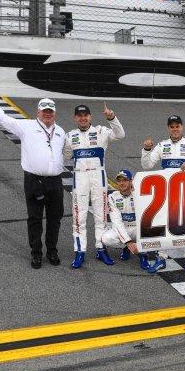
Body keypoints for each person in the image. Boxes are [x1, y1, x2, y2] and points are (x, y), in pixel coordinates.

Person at [0, 84, 65, 269]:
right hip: (34, 181)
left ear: (55, 113)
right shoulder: (26, 126)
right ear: (38, 112)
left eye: (50, 111)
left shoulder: (61, 132)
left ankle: (52, 251)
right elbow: (3, 119)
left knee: (55, 218)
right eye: (44, 111)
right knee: (34, 218)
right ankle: (36, 253)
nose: (47, 114)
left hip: (56, 182)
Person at [64, 102, 125, 269]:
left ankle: (100, 248)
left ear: (90, 117)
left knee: (100, 214)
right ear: (75, 118)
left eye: (86, 115)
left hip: (99, 176)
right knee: (79, 216)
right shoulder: (70, 136)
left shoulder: (101, 131)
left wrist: (111, 118)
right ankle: (79, 251)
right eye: (79, 116)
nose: (83, 118)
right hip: (80, 177)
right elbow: (66, 155)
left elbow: (120, 134)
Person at [141, 115, 185, 274]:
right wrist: (147, 149)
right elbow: (146, 165)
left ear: (182, 127)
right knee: (163, 226)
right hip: (166, 193)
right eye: (172, 126)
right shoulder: (162, 145)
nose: (175, 129)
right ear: (168, 128)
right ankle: (161, 258)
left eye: (177, 126)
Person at [100, 170, 150, 270]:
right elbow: (117, 223)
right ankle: (127, 247)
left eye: (125, 180)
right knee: (106, 239)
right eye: (119, 181)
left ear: (131, 181)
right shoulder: (113, 197)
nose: (122, 183)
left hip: (138, 228)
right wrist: (128, 242)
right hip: (124, 228)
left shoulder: (141, 195)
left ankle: (143, 255)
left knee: (154, 233)